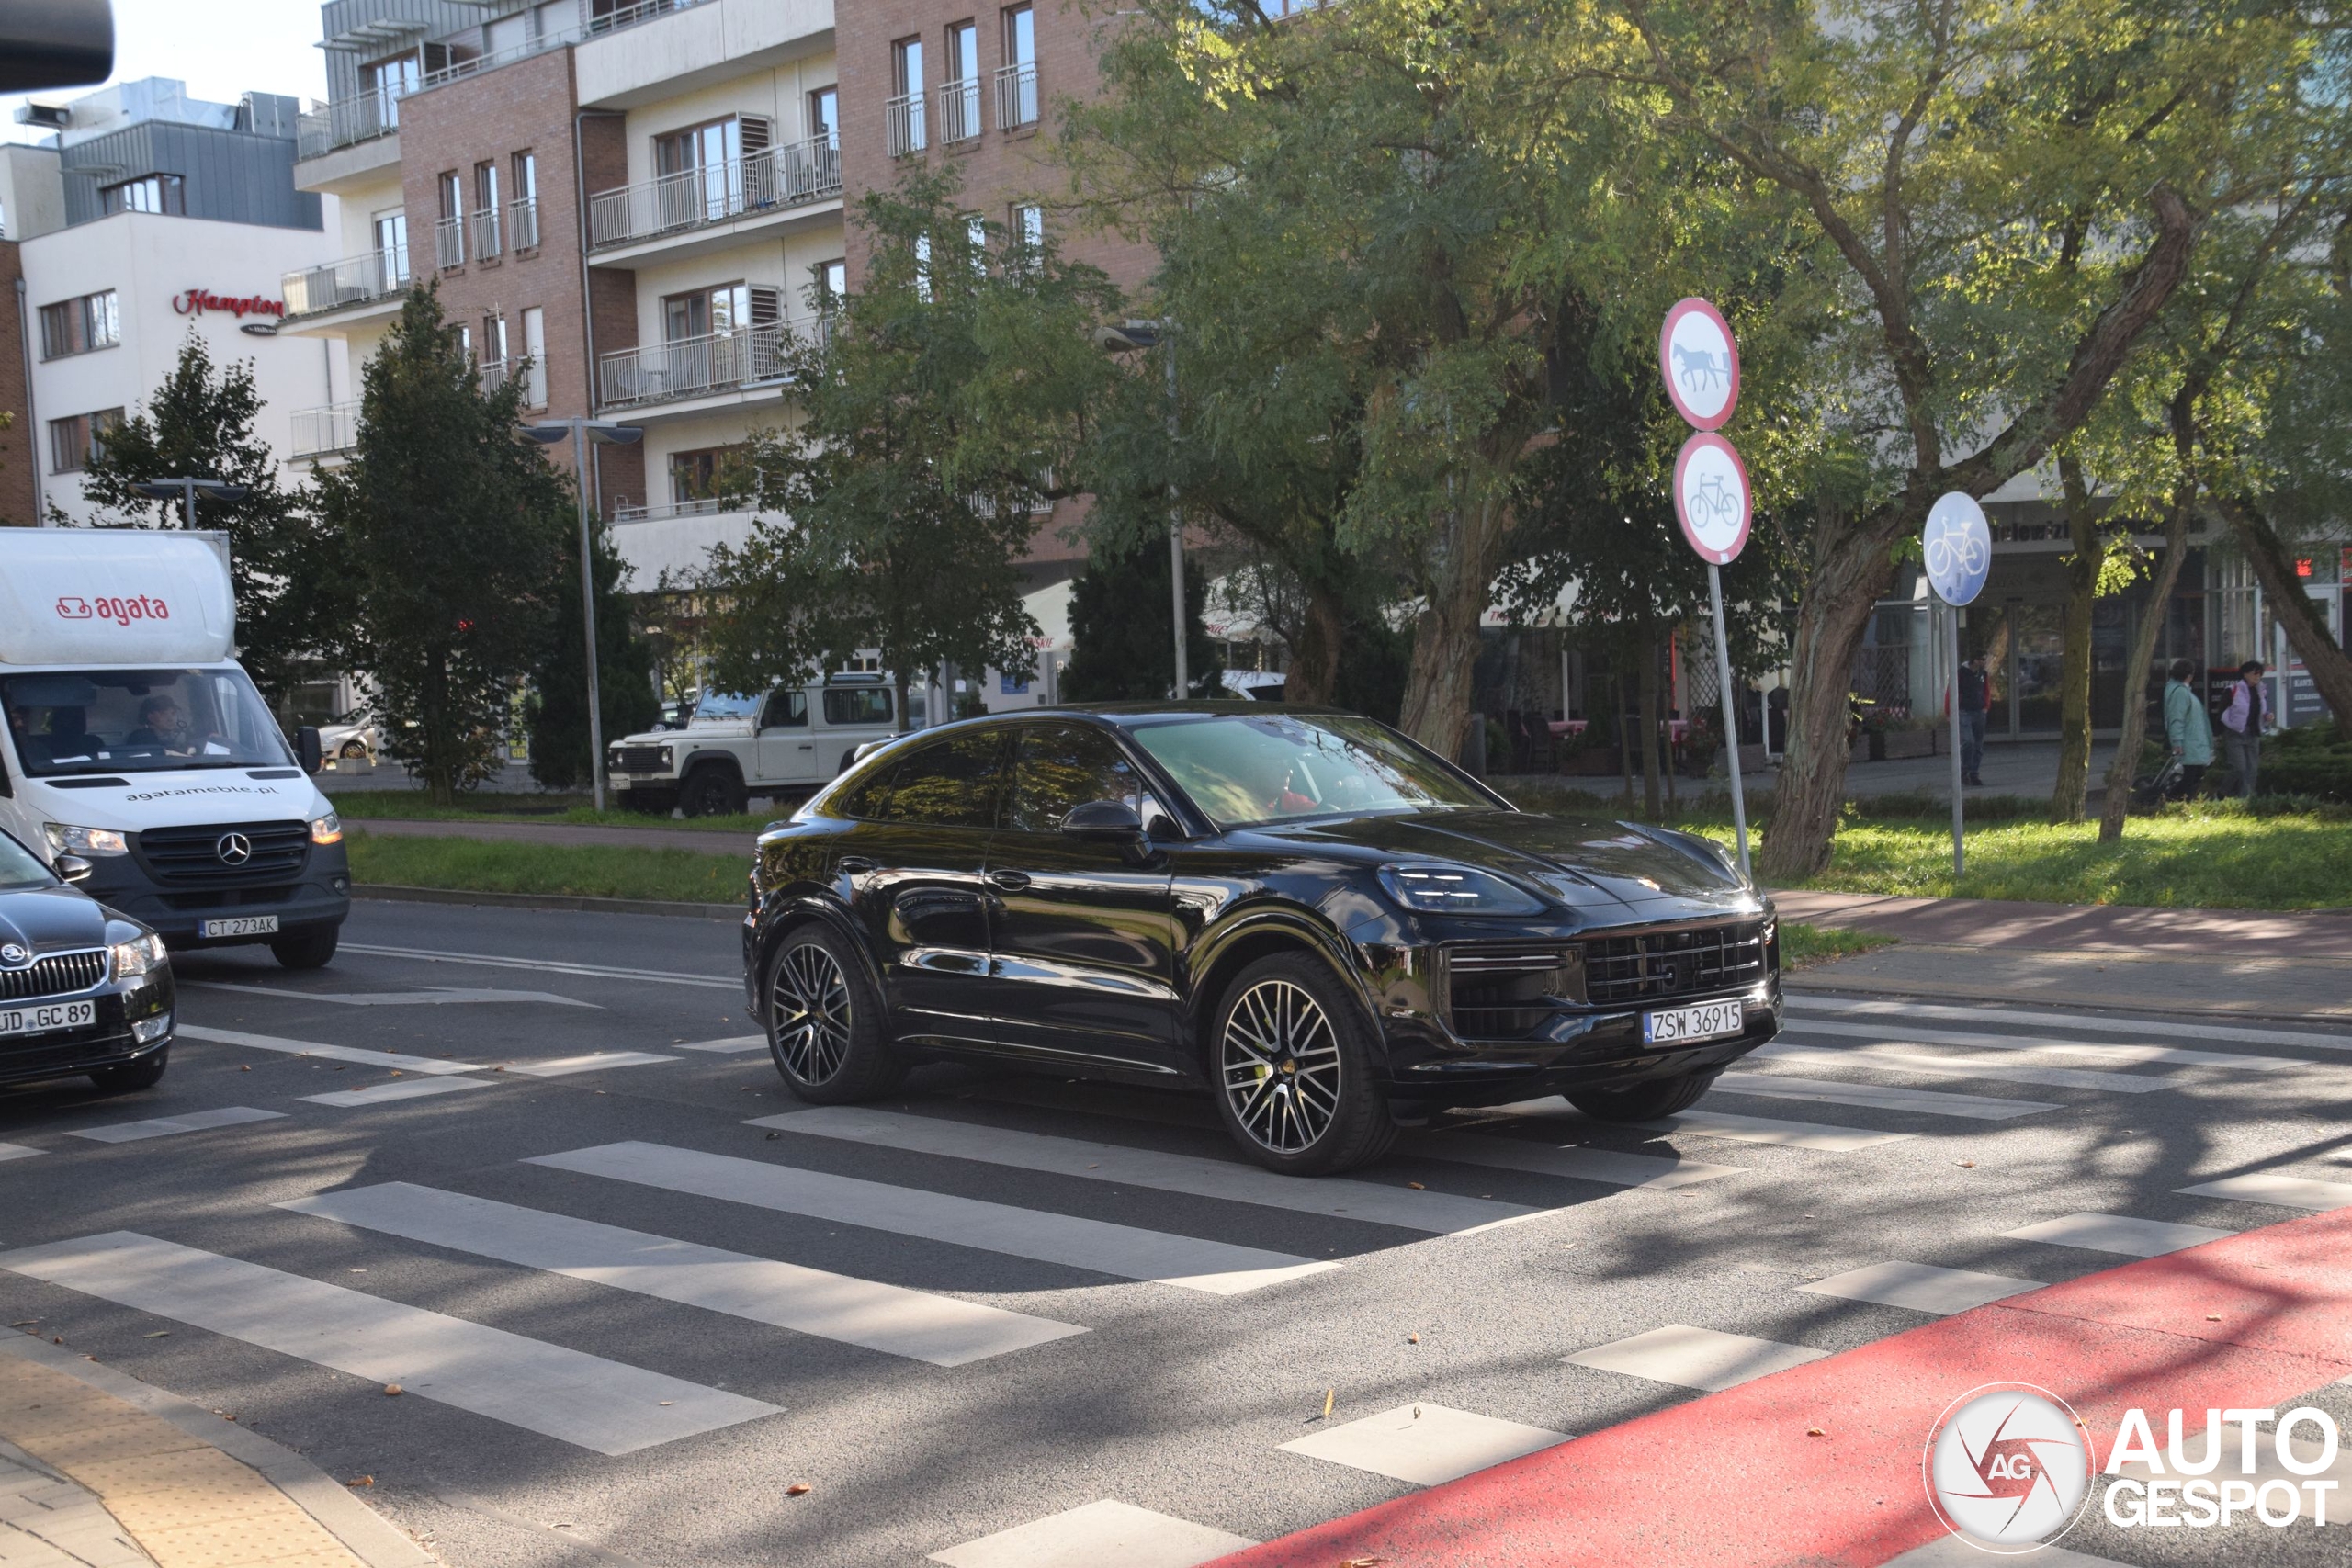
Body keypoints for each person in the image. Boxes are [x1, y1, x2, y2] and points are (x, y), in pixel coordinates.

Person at [2162, 657, 2212, 799]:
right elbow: (2177, 719)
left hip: (2192, 742)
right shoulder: (2181, 693)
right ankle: (2175, 800)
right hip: (2190, 742)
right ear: (2190, 675)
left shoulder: (2178, 690)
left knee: (2195, 775)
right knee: (2191, 777)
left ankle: (2179, 800)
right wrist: (2177, 742)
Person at [2219, 660, 2267, 798]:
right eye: (2254, 674)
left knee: (2252, 769)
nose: (2257, 677)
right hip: (2235, 733)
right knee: (2239, 767)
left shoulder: (2261, 692)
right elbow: (2222, 711)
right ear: (2245, 674)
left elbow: (2260, 712)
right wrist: (2225, 728)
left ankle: (2245, 800)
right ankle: (2223, 792)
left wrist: (2267, 717)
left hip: (2253, 733)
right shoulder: (2233, 690)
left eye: (2259, 674)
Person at [1956, 650, 1993, 787]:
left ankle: (1974, 773)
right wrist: (1950, 711)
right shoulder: (1961, 673)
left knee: (1978, 744)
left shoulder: (1983, 674)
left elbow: (1986, 691)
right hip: (1964, 711)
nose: (1984, 662)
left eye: (1985, 659)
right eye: (1982, 659)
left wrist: (1986, 706)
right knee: (1968, 741)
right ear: (1975, 660)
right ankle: (1965, 771)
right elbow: (1952, 691)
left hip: (1979, 711)